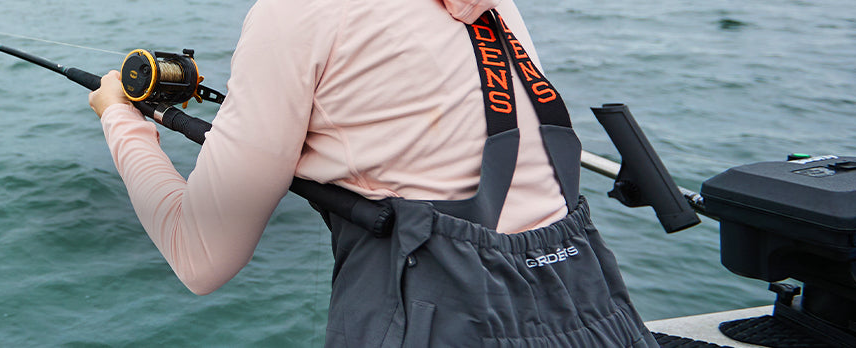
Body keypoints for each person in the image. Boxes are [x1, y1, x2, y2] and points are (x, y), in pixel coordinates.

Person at [88, 0, 658, 346]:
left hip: (439, 322)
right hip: (599, 306)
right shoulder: (494, 6)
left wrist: (120, 118)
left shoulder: (297, 13)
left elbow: (200, 257)